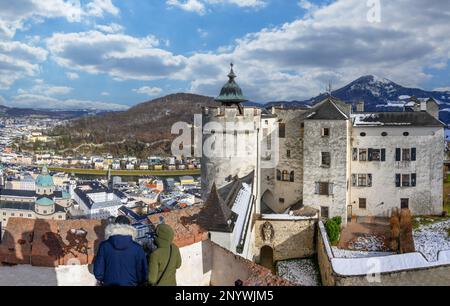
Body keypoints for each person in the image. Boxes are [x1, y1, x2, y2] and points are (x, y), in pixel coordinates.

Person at [94, 216, 148, 286]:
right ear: (130, 228)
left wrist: (105, 280)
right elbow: (142, 273)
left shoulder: (104, 246)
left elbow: (98, 273)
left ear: (114, 227)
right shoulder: (137, 248)